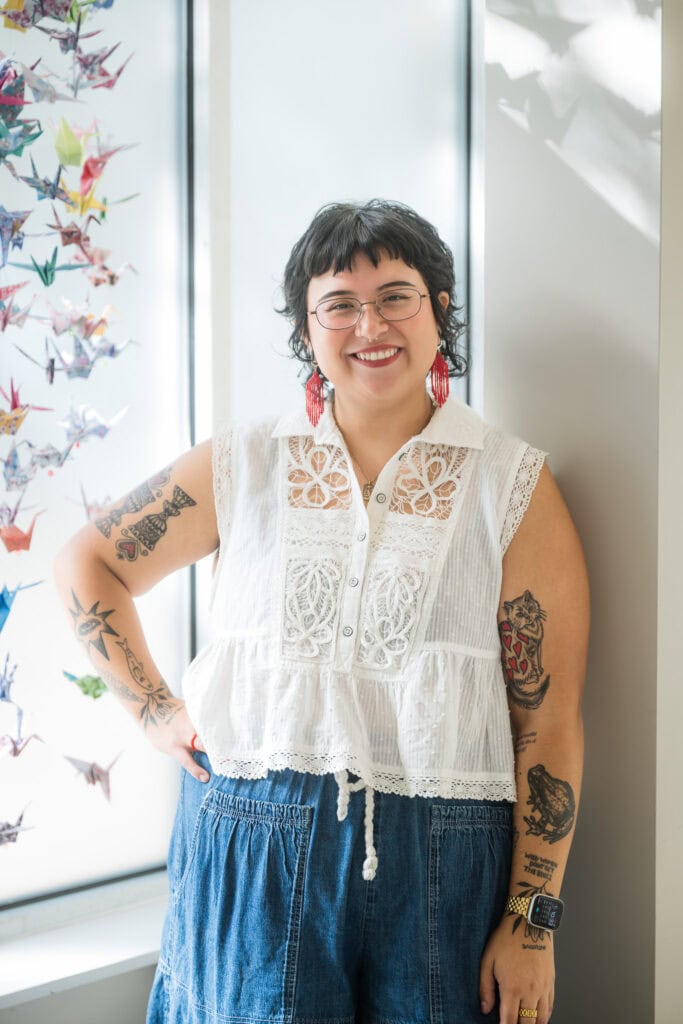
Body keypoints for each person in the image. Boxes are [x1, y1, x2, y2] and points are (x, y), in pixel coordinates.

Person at [53, 198, 589, 1024]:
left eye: (395, 296)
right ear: (308, 330)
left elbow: (546, 727)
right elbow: (88, 562)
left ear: (439, 309)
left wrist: (532, 923)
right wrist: (158, 710)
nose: (368, 324)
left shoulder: (510, 485)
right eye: (338, 303)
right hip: (249, 837)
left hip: (442, 855)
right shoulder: (245, 461)